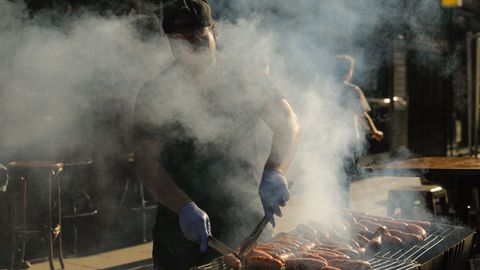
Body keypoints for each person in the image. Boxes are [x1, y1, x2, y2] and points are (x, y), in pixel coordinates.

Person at [133, 0, 301, 269]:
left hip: (246, 224)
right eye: (179, 42)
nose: (190, 49)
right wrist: (183, 205)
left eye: (198, 38)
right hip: (179, 231)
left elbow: (289, 123)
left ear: (215, 32)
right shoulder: (155, 93)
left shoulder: (245, 78)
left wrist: (275, 169)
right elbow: (146, 161)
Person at [335, 54, 383, 206]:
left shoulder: (325, 88)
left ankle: (331, 207)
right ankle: (342, 208)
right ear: (349, 71)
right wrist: (375, 131)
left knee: (332, 175)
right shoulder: (353, 90)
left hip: (330, 141)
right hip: (349, 140)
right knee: (346, 177)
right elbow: (363, 116)